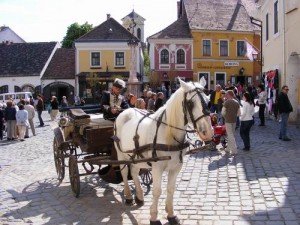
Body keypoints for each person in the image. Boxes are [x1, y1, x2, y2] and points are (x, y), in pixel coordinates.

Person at [221, 90, 241, 155]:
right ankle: (228, 149)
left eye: (226, 94)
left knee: (230, 135)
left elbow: (222, 112)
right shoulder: (236, 102)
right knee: (231, 134)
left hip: (228, 121)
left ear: (229, 95)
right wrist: (234, 115)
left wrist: (226, 116)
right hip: (234, 120)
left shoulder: (226, 103)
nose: (226, 96)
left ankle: (234, 150)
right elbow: (239, 113)